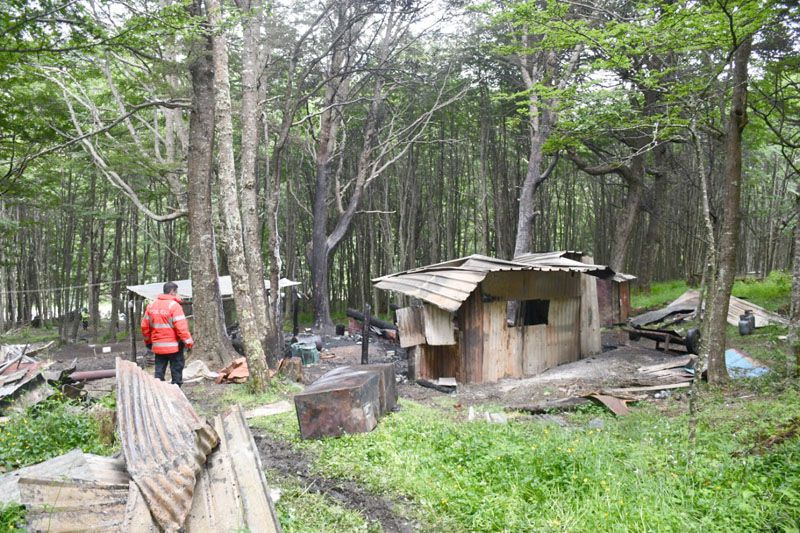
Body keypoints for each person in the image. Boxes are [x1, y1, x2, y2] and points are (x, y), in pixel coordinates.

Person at [141, 281, 194, 386]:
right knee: (176, 369)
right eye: (176, 291)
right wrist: (189, 343)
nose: (177, 294)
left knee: (159, 371)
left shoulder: (151, 305)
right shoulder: (174, 306)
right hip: (175, 347)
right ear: (172, 291)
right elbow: (181, 328)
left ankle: (158, 390)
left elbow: (144, 326)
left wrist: (148, 342)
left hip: (158, 346)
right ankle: (176, 390)